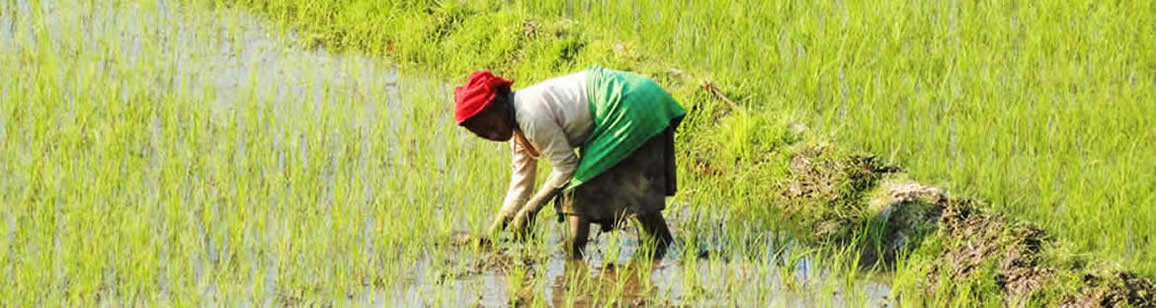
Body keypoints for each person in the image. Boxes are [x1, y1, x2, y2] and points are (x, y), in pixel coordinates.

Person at [453, 65, 686, 259]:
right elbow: (521, 184)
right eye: (484, 134)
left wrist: (530, 211)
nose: (493, 135)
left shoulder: (530, 115)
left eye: (492, 125)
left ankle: (574, 258)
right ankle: (662, 243)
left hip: (626, 102)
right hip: (639, 94)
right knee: (632, 188)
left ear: (501, 103)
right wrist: (494, 234)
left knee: (577, 190)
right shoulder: (519, 127)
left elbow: (567, 169)